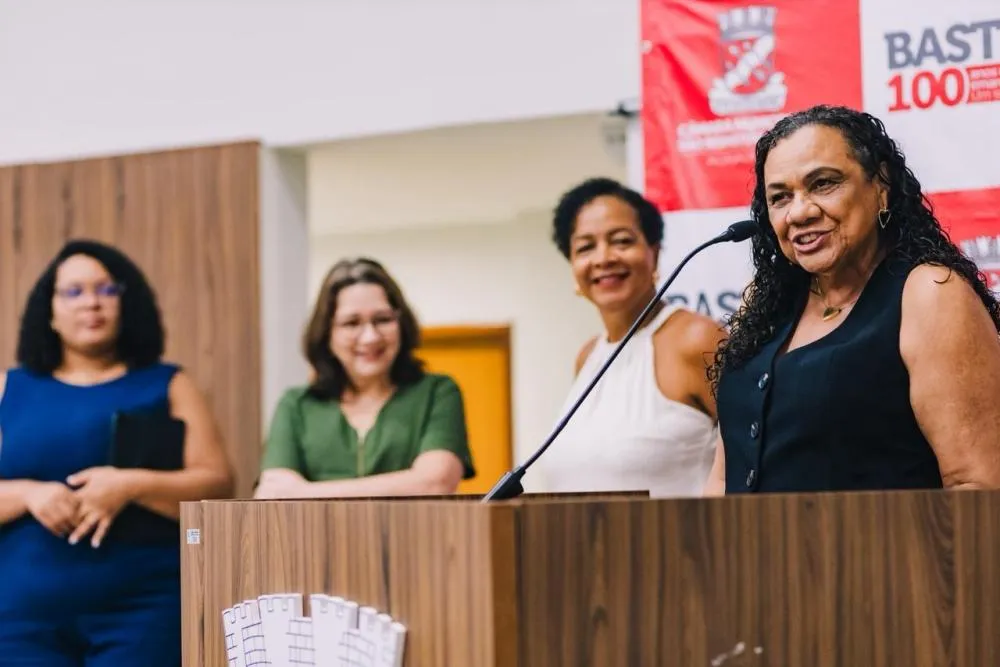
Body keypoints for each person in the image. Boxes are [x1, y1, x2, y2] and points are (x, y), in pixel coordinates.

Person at [705, 104, 1000, 495]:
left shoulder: (929, 294)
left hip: (877, 555)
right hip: (742, 555)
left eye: (823, 183)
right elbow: (723, 479)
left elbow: (977, 486)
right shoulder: (761, 304)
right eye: (779, 197)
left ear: (881, 186)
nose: (800, 212)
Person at [0, 239, 234, 666]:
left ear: (127, 303)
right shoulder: (8, 389)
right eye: (73, 291)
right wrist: (30, 494)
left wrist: (131, 484)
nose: (91, 303)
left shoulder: (168, 383)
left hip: (143, 609)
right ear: (49, 311)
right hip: (23, 617)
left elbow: (217, 483)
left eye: (106, 290)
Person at [541, 177, 725, 497]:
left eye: (622, 241)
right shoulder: (588, 356)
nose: (603, 258)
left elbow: (758, 460)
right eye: (585, 247)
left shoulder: (698, 340)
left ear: (654, 252)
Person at [254, 257, 475, 499]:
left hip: (416, 537)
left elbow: (435, 483)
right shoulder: (297, 405)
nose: (370, 337)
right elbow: (272, 493)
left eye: (382, 320)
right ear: (327, 333)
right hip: (316, 538)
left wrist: (305, 492)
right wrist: (407, 482)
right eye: (352, 323)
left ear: (401, 323)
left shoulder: (437, 393)